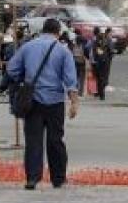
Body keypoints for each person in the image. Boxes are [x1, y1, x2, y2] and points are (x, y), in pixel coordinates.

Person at [6, 18, 78, 190]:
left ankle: (32, 178)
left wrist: (26, 79)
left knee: (33, 140)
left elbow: (12, 69)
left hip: (33, 101)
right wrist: (74, 103)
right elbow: (70, 80)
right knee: (55, 140)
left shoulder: (28, 47)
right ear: (58, 32)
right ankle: (58, 178)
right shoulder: (63, 51)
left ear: (43, 30)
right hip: (55, 102)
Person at [89, 28, 112, 100]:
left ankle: (99, 93)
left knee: (98, 78)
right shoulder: (107, 42)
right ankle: (102, 94)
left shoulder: (95, 43)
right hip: (105, 62)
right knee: (103, 78)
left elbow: (94, 52)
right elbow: (110, 51)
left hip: (97, 62)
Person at [70, 29, 87, 97]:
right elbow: (85, 56)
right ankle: (81, 92)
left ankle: (75, 90)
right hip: (82, 63)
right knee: (82, 78)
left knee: (76, 78)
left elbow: (71, 54)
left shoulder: (73, 46)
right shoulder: (83, 47)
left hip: (75, 63)